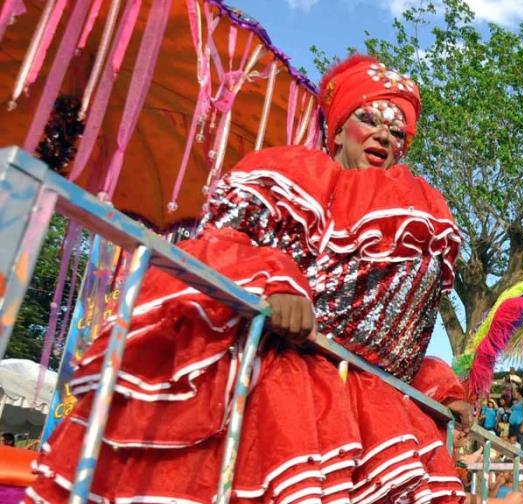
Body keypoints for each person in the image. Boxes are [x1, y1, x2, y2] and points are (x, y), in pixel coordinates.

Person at [27, 54, 471, 503]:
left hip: (369, 406)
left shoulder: (417, 207)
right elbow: (223, 241)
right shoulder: (298, 174)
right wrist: (276, 283)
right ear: (338, 131)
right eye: (369, 119)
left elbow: (392, 329)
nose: (384, 135)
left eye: (397, 132)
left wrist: (434, 386)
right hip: (279, 384)